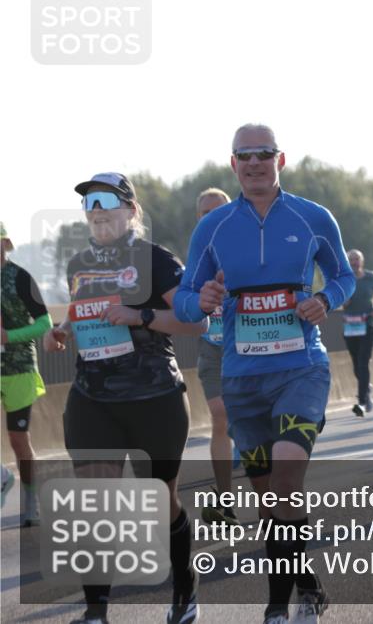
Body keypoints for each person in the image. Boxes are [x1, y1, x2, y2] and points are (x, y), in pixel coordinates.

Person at [174, 124, 356, 624]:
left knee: (286, 477)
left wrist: (324, 299)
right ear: (233, 164)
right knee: (269, 496)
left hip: (301, 368)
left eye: (263, 154)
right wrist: (202, 302)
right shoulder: (212, 227)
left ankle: (277, 606)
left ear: (281, 159)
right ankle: (310, 585)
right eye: (244, 156)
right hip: (242, 378)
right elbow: (187, 299)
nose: (254, 163)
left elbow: (343, 276)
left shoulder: (313, 216)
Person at [43, 173, 208, 624]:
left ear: (130, 209)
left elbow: (196, 324)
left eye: (106, 200)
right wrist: (61, 331)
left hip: (154, 398)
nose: (95, 210)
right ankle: (96, 611)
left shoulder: (155, 260)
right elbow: (85, 312)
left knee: (161, 500)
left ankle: (184, 590)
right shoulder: (79, 264)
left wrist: (140, 315)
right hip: (92, 399)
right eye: (88, 203)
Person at [190, 189, 240, 526]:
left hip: (248, 348)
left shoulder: (248, 249)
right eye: (204, 212)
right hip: (212, 349)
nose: (210, 217)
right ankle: (225, 500)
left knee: (251, 424)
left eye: (217, 210)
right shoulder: (195, 258)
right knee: (219, 416)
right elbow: (182, 301)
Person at [1, 221, 52, 527]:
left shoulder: (20, 277)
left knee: (18, 439)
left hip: (19, 368)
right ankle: (4, 478)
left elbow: (44, 323)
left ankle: (31, 498)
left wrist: (10, 337)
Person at [343, 249, 373, 417]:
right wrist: (342, 299)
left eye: (356, 259)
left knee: (363, 361)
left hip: (368, 323)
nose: (354, 262)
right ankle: (366, 387)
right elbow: (334, 295)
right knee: (356, 364)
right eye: (351, 260)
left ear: (362, 261)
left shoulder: (371, 277)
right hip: (350, 326)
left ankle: (362, 401)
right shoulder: (344, 279)